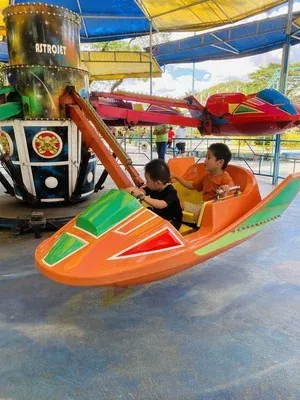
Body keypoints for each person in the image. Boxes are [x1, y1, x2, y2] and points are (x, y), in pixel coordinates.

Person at [126, 159, 182, 230]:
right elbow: (143, 190)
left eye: (147, 181)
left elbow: (161, 205)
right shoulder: (153, 187)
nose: (146, 183)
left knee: (164, 227)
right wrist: (134, 190)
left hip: (173, 220)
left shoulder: (171, 191)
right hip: (160, 216)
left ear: (158, 183)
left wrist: (143, 197)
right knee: (143, 214)